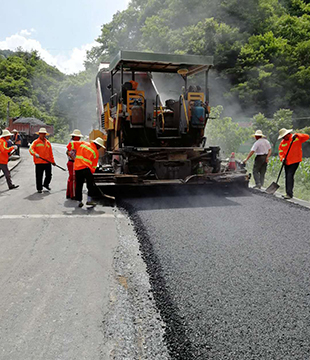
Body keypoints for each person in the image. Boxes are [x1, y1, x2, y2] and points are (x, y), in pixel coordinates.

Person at [278, 128, 309, 199]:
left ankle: (289, 194)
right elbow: (281, 152)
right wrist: (282, 158)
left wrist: (297, 134)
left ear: (287, 134)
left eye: (284, 136)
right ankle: (287, 193)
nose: (283, 137)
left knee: (289, 175)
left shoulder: (296, 138)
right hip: (286, 162)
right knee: (287, 176)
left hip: (295, 161)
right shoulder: (282, 143)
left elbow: (307, 137)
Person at [74, 137, 105, 208]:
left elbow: (71, 144)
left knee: (78, 185)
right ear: (98, 145)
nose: (99, 148)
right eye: (100, 146)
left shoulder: (83, 144)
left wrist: (68, 150)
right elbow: (94, 167)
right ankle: (89, 200)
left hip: (77, 168)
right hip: (86, 169)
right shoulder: (95, 152)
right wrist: (91, 174)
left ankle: (79, 201)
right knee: (90, 185)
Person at [29, 127, 55, 193]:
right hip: (39, 162)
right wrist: (35, 154)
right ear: (39, 134)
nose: (43, 135)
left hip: (47, 162)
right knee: (39, 176)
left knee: (49, 175)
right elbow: (31, 149)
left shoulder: (48, 143)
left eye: (44, 134)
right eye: (41, 134)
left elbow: (50, 153)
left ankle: (46, 184)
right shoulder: (35, 142)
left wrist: (53, 161)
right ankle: (39, 188)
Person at [66, 129, 83, 199]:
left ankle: (69, 193)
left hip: (73, 162)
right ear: (75, 137)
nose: (79, 138)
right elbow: (69, 153)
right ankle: (73, 195)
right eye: (78, 137)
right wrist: (76, 159)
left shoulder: (73, 143)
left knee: (71, 178)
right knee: (73, 179)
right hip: (73, 163)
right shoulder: (73, 143)